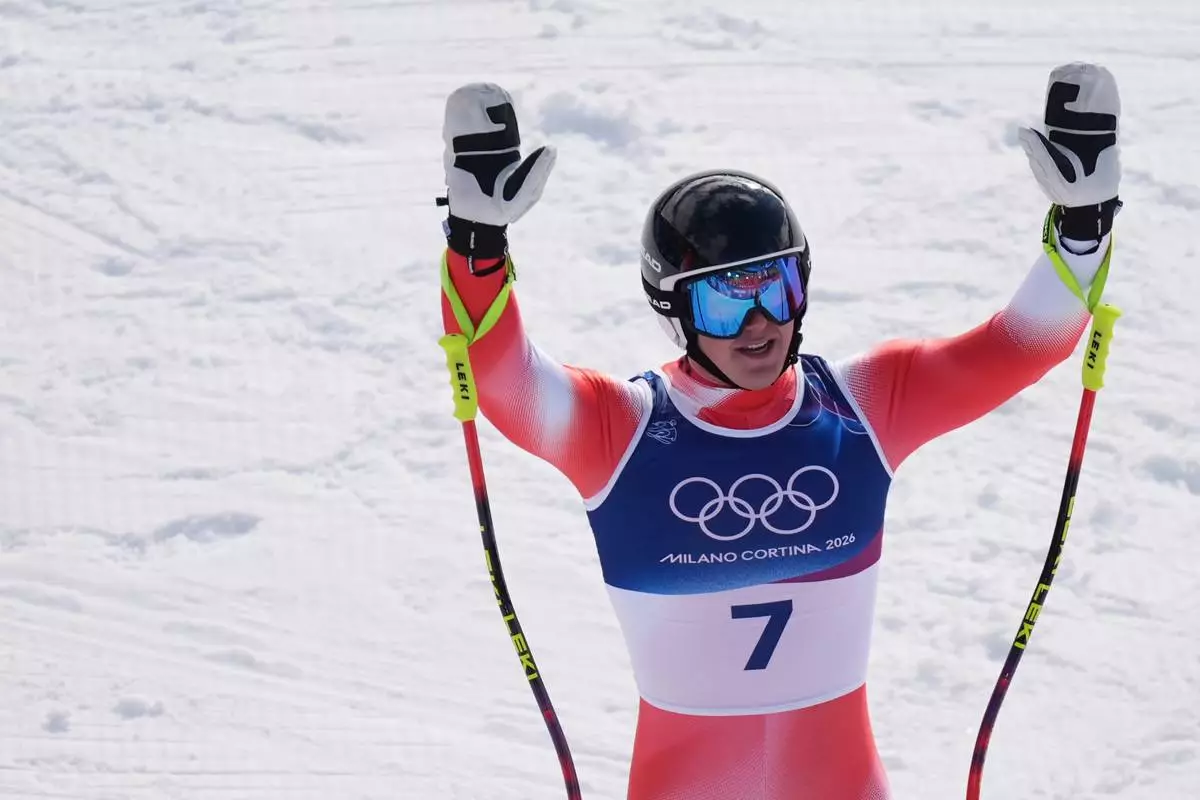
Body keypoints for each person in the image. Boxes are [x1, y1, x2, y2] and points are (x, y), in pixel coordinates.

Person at [437, 63, 1122, 800]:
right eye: (725, 303)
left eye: (778, 287)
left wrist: (1082, 230)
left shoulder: (864, 407)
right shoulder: (621, 432)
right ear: (674, 310)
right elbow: (501, 378)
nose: (760, 322)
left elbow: (1018, 344)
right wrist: (477, 247)